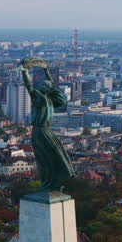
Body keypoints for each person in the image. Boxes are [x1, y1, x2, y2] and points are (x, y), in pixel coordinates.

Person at [21, 60, 75, 192]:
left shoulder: (39, 98)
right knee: (53, 155)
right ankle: (53, 181)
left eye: (43, 85)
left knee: (44, 157)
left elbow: (28, 85)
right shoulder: (51, 101)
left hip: (39, 131)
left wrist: (24, 71)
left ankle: (49, 182)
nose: (40, 86)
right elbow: (53, 85)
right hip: (46, 131)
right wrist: (46, 71)